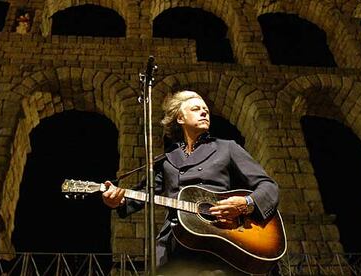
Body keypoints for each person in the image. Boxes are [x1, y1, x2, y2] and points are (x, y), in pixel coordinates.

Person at [102, 90, 279, 275]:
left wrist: (245, 204)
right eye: (196, 109)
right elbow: (144, 193)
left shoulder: (227, 147)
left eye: (206, 110)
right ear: (180, 118)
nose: (204, 112)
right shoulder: (167, 159)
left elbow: (268, 186)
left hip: (220, 240)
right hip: (174, 244)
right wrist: (118, 200)